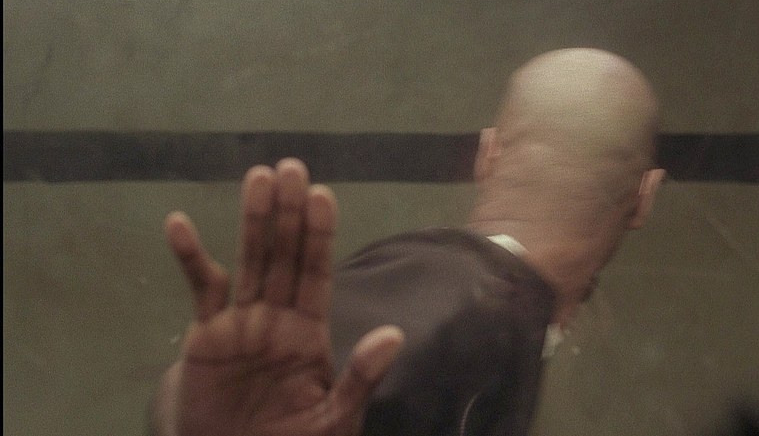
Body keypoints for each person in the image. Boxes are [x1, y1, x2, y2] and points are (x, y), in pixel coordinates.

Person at [150, 47, 666, 436]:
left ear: (487, 153)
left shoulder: (503, 315)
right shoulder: (462, 304)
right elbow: (225, 403)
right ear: (645, 197)